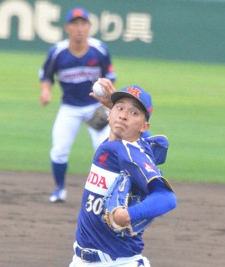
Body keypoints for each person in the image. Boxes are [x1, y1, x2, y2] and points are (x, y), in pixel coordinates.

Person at [69, 80, 177, 266]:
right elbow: (129, 127)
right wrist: (121, 111)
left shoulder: (129, 153)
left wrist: (127, 215)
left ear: (144, 127)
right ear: (110, 113)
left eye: (134, 112)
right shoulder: (125, 142)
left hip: (118, 262)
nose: (124, 116)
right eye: (119, 109)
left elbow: (167, 198)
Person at [38, 7, 116, 202]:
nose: (79, 28)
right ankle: (59, 190)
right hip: (70, 108)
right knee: (59, 150)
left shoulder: (99, 50)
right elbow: (46, 76)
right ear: (67, 28)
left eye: (83, 24)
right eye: (75, 24)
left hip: (95, 107)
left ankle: (108, 193)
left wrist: (109, 105)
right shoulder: (58, 52)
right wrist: (46, 91)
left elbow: (110, 79)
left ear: (89, 27)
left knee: (105, 149)